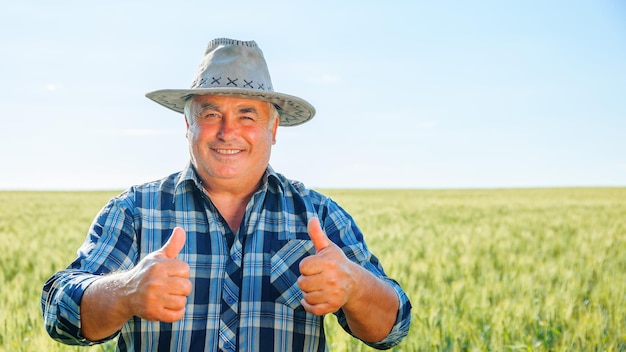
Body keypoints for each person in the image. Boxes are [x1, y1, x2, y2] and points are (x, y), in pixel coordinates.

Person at [41, 37, 412, 351]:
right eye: (211, 114)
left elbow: (392, 328)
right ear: (188, 124)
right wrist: (125, 292)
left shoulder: (319, 215)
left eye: (247, 115)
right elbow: (58, 312)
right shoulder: (135, 211)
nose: (228, 131)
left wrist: (355, 286)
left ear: (274, 127)